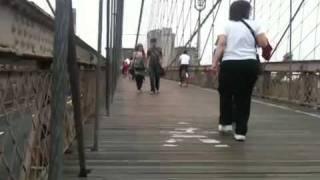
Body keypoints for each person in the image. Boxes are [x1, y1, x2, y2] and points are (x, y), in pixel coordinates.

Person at [211, 0, 270, 141]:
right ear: (247, 11)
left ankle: (225, 124)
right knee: (244, 97)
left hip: (229, 64)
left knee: (225, 92)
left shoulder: (226, 25)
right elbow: (263, 43)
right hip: (249, 64)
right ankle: (241, 132)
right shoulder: (255, 24)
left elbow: (221, 44)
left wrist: (214, 63)